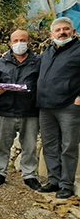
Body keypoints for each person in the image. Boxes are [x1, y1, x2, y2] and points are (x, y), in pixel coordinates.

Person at [0, 30, 41, 190]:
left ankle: (29, 175)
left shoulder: (38, 61)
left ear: (28, 42)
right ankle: (0, 172)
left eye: (23, 40)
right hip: (6, 110)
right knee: (2, 145)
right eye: (16, 40)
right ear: (10, 43)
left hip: (30, 111)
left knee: (30, 146)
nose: (19, 43)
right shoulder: (0, 62)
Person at [36, 17, 80, 199]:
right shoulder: (49, 50)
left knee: (68, 146)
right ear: (51, 34)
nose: (62, 32)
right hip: (46, 107)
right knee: (50, 146)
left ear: (73, 31)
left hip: (68, 106)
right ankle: (53, 180)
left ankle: (66, 184)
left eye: (66, 29)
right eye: (58, 30)